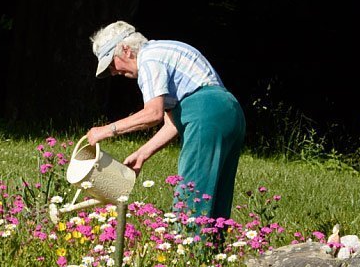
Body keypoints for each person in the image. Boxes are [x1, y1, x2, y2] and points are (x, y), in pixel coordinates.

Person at [84, 21, 245, 225]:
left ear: (126, 49)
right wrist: (142, 154)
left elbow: (153, 114)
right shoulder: (163, 50)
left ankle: (185, 251)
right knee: (215, 197)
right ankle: (214, 253)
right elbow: (172, 122)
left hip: (206, 115)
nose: (114, 72)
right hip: (229, 112)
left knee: (192, 194)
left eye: (112, 64)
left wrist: (105, 131)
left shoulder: (149, 59)